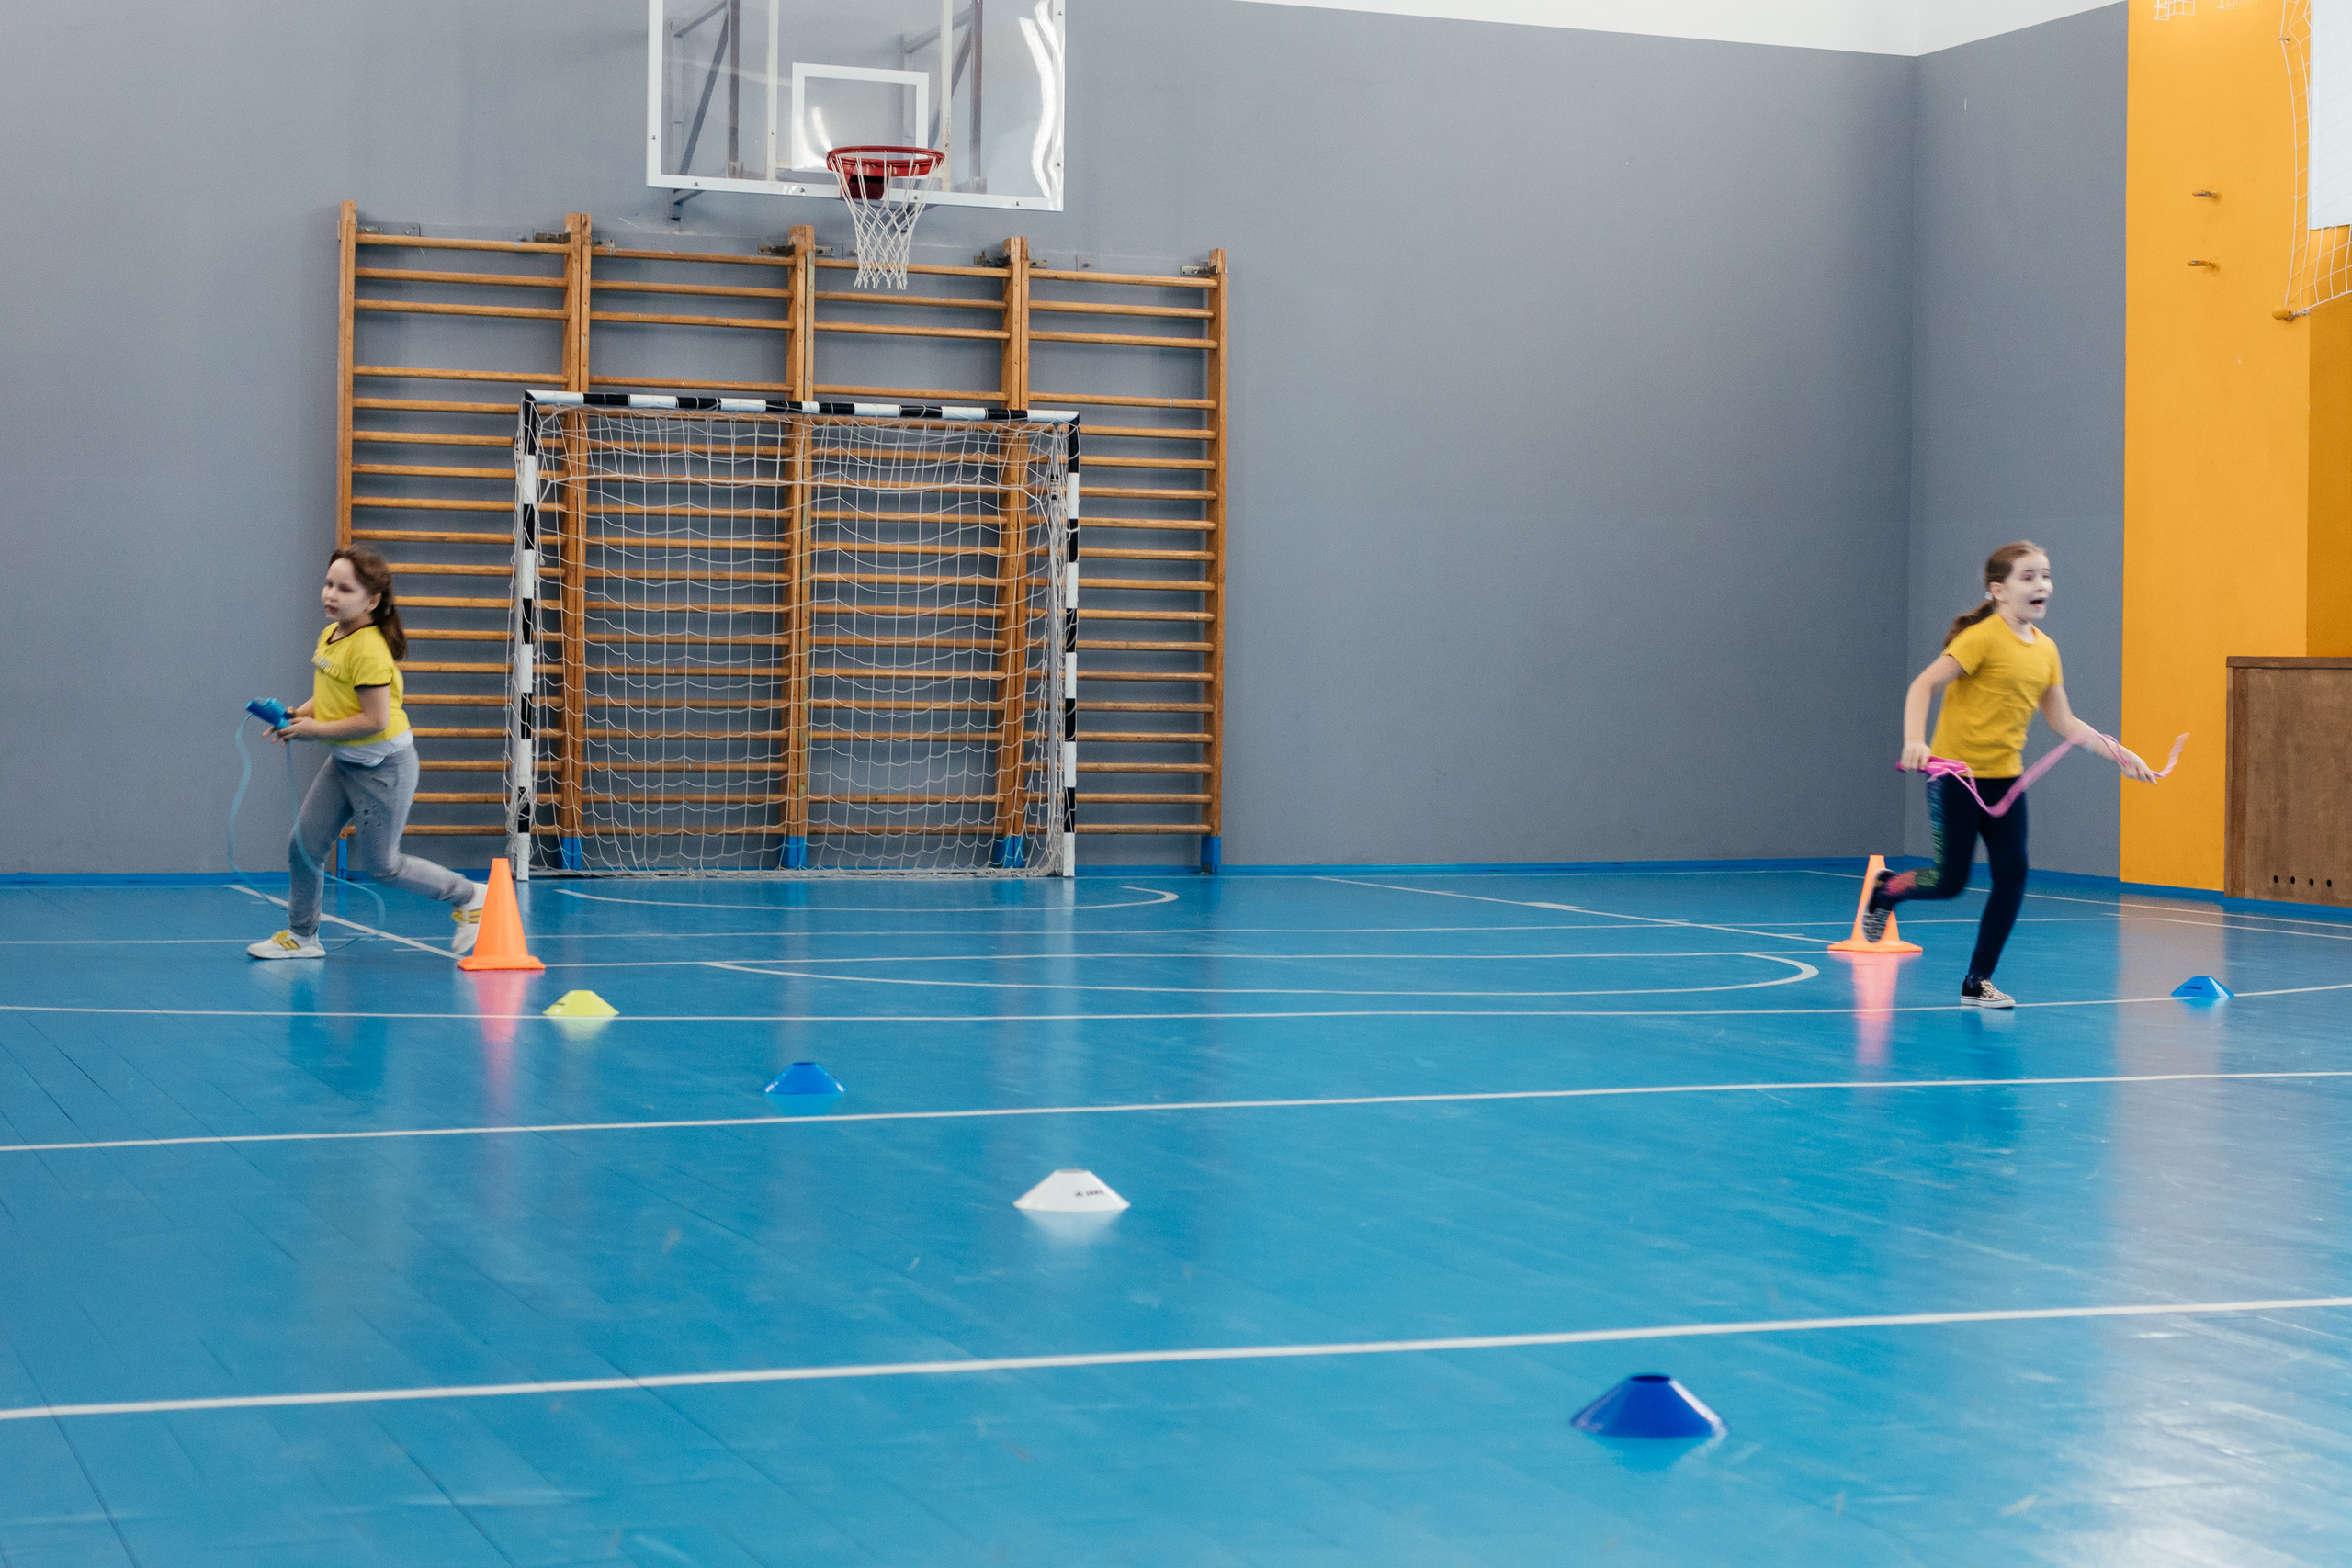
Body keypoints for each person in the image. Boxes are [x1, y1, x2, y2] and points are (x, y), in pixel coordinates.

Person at [1860, 541, 2156, 1007]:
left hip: (2006, 782)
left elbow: (2064, 722)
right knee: (1949, 881)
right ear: (1998, 590)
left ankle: (1977, 981)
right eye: (2028, 576)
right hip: (1955, 778)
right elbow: (1923, 685)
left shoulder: (2047, 651)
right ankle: (1887, 889)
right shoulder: (1981, 639)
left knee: (2013, 877)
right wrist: (1915, 740)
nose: (2042, 585)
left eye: (2046, 575)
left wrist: (2121, 754)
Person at [247, 548, 486, 959]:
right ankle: (302, 937)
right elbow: (332, 697)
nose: (331, 594)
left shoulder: (370, 650)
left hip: (383, 769)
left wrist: (314, 732)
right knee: (304, 847)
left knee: (383, 867)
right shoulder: (331, 634)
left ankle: (469, 896)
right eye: (328, 584)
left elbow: (374, 720)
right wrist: (297, 716)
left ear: (372, 600)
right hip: (345, 761)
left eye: (345, 589)